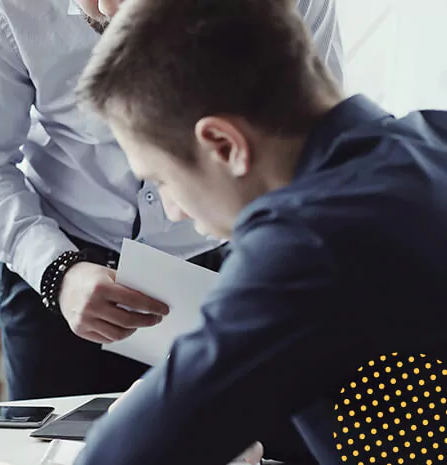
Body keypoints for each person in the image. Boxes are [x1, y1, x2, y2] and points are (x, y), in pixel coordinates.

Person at [74, 0, 447, 463]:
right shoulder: (433, 141)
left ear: (224, 145)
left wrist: (149, 416)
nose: (171, 211)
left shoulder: (307, 245)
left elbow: (120, 458)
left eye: (162, 180)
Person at [0, 0, 341, 401]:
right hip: (61, 273)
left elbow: (313, 143)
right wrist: (57, 270)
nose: (103, 10)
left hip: (244, 262)